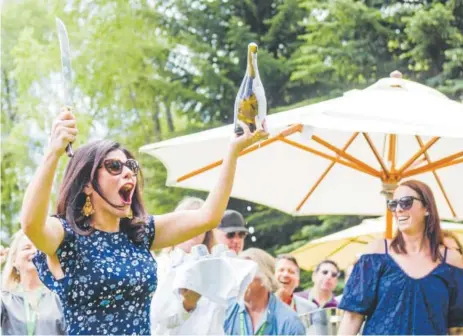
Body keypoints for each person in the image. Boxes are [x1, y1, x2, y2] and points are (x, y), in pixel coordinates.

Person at [21, 107, 267, 335]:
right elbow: (32, 224)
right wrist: (53, 152)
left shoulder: (139, 233)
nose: (128, 172)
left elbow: (208, 216)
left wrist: (234, 151)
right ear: (87, 184)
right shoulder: (66, 236)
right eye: (114, 166)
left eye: (130, 166)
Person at [338, 180, 463, 335]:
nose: (398, 209)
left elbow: (456, 328)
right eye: (393, 204)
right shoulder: (377, 253)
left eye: (405, 202)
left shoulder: (452, 261)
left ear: (427, 208)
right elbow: (352, 317)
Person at [224, 248, 306, 335]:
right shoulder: (227, 311)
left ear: (266, 278)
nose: (239, 279)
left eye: (246, 274)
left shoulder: (290, 323)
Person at [1, 230, 66, 335]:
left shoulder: (59, 295)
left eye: (39, 247)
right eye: (27, 248)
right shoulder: (5, 297)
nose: (34, 251)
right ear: (14, 260)